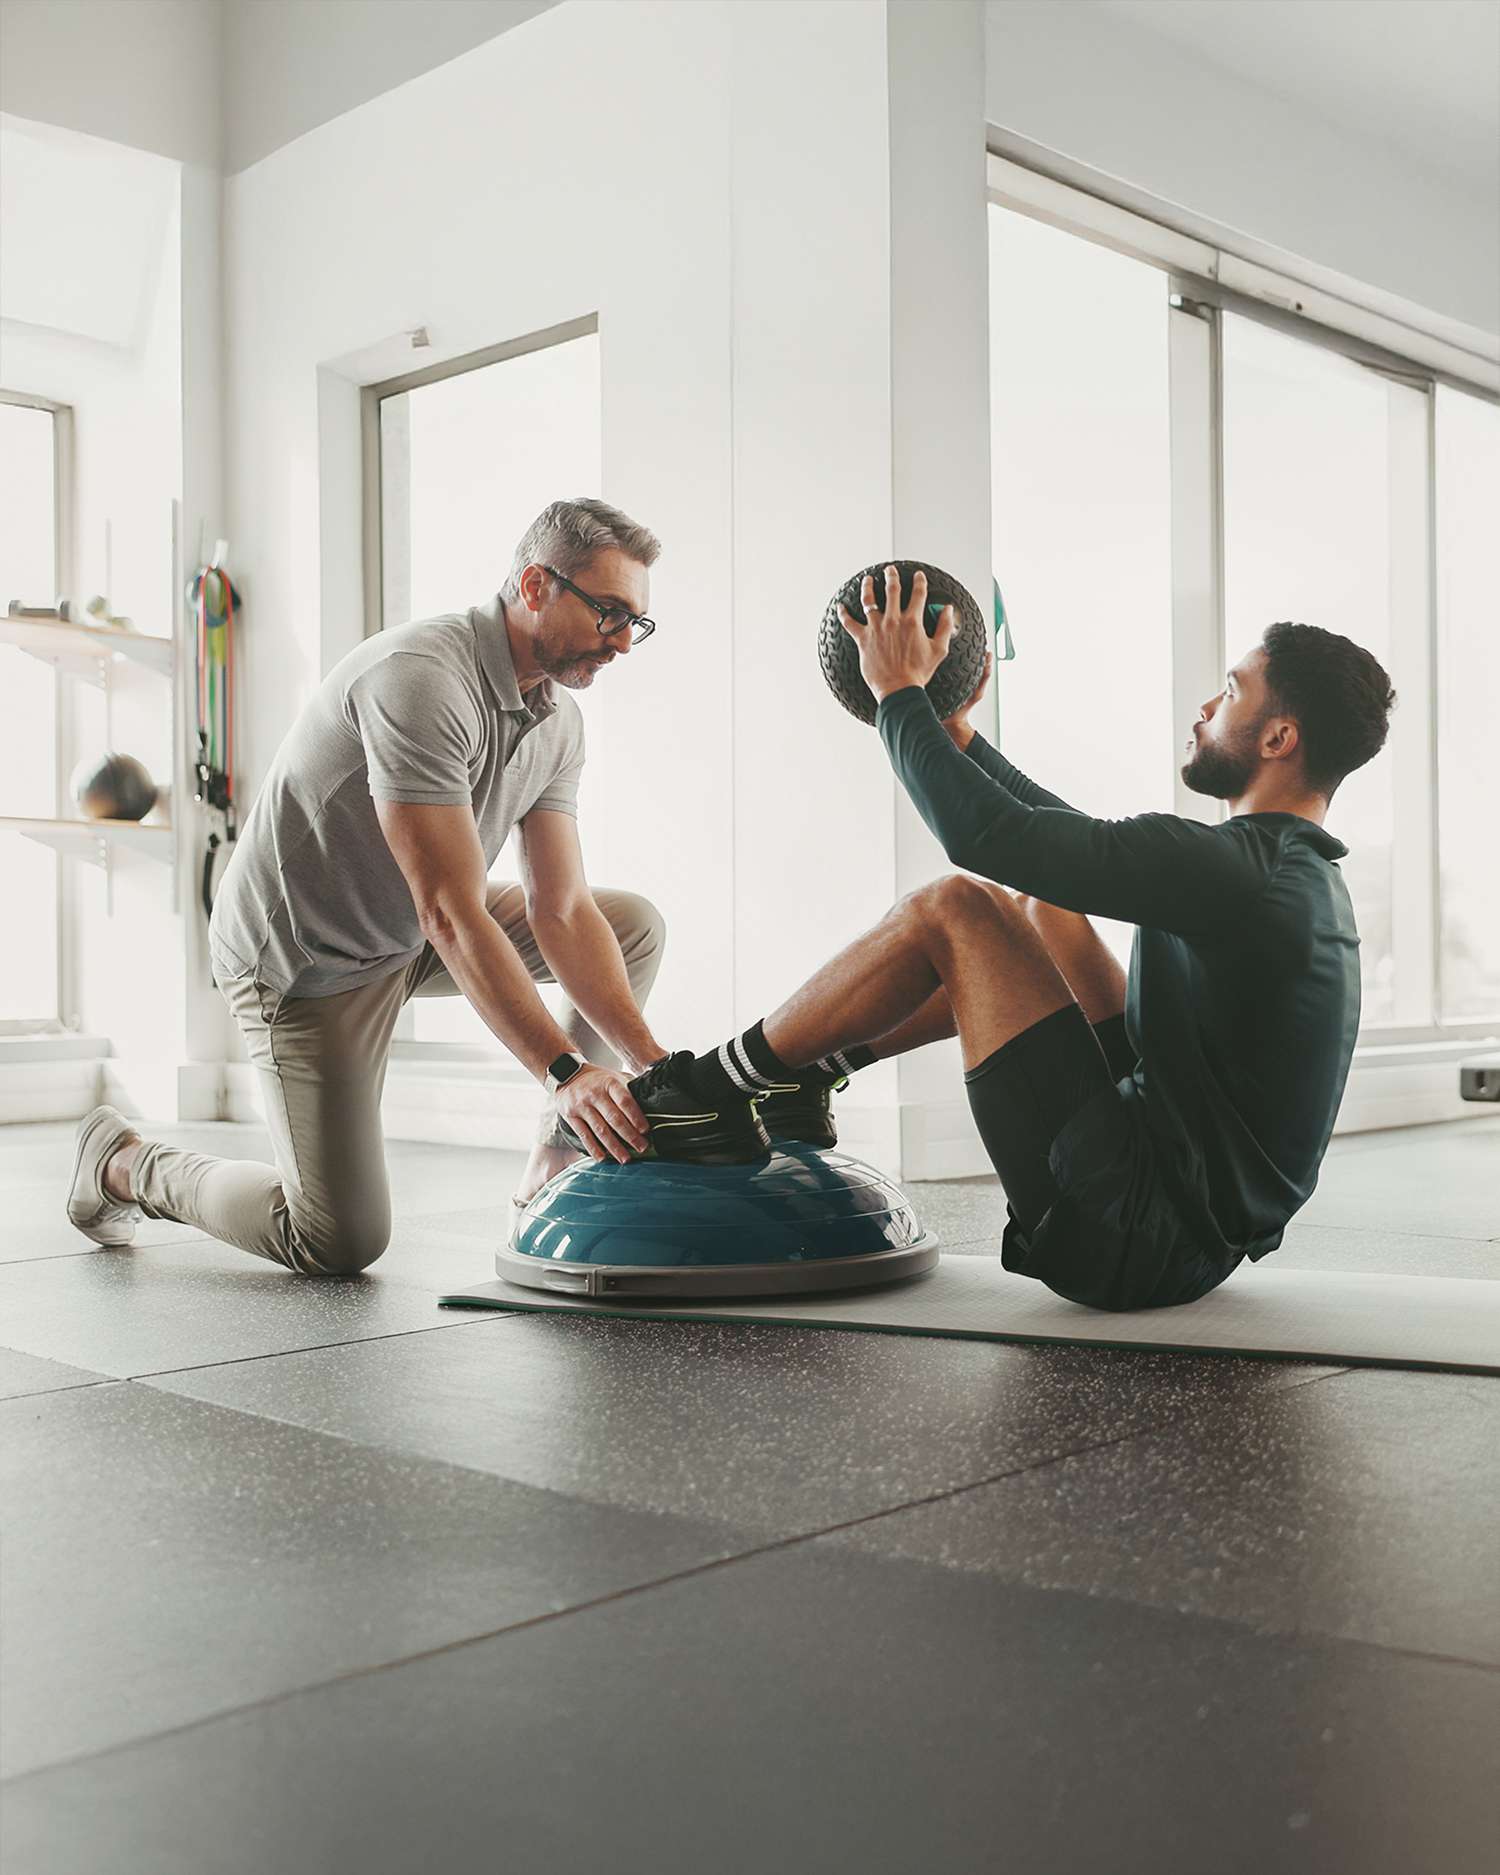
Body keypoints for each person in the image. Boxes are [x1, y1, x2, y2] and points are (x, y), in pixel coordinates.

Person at [630, 565, 1398, 1313]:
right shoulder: (1277, 867)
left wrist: (899, 696)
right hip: (1186, 1223)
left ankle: (709, 1091)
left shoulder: (1243, 868)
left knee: (953, 906)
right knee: (1047, 909)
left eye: (1230, 691)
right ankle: (811, 1071)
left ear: (1278, 738)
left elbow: (987, 838)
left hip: (1133, 1234)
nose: (1205, 705)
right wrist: (960, 739)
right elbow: (1066, 844)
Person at [67, 498, 677, 1274]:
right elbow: (451, 911)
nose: (624, 642)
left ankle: (561, 1159)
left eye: (637, 622)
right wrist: (564, 1072)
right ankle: (123, 1162)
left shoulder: (556, 721)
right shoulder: (422, 678)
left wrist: (647, 1058)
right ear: (533, 585)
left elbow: (561, 907)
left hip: (407, 932)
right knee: (335, 1239)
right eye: (609, 614)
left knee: (632, 926)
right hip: (305, 960)